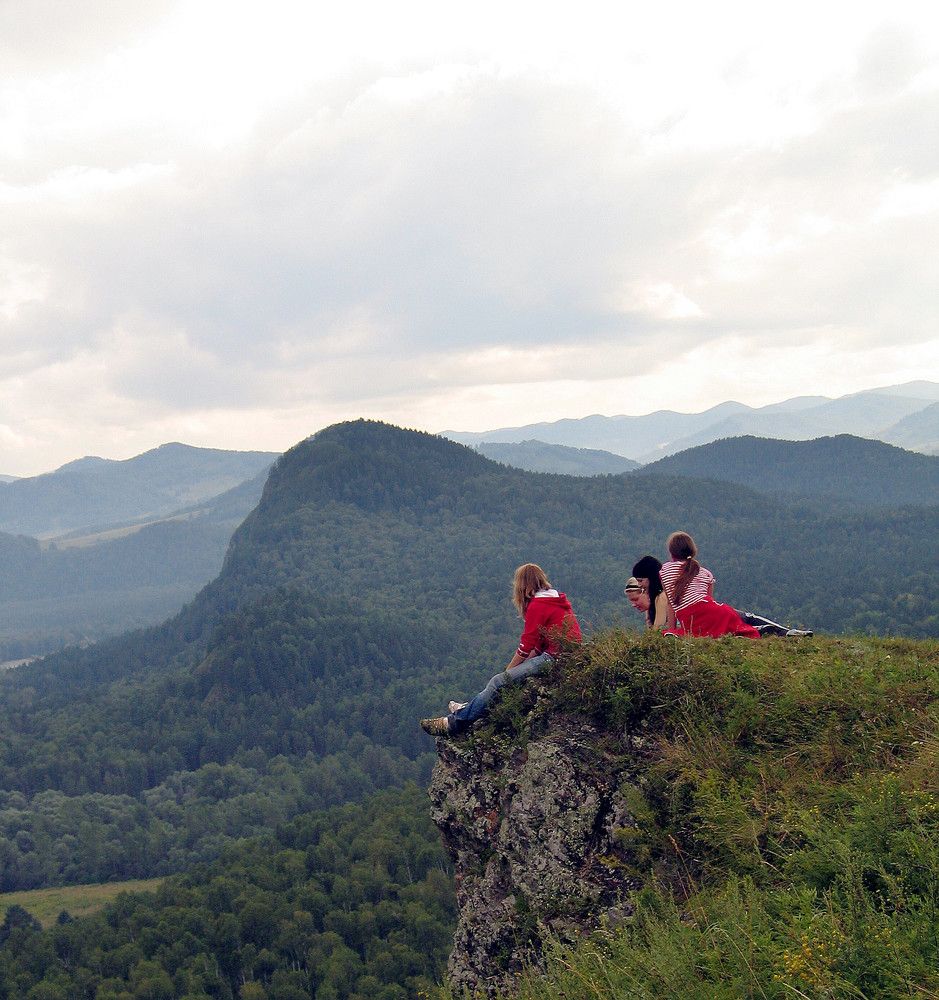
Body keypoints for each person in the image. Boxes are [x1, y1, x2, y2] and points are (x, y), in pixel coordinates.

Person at [420, 563, 582, 736]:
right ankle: (469, 708)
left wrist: (507, 672)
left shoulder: (538, 605)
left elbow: (526, 646)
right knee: (504, 682)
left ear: (522, 585)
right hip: (565, 654)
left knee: (498, 682)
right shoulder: (554, 600)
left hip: (554, 658)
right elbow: (537, 645)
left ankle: (453, 723)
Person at [658, 531, 762, 639]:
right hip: (718, 613)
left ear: (671, 552)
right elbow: (709, 600)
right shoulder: (706, 573)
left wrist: (672, 629)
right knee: (734, 632)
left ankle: (674, 634)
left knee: (694, 634)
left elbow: (671, 605)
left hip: (691, 618)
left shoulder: (665, 570)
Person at [625, 555, 674, 630]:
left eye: (640, 581)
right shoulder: (657, 599)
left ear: (651, 578)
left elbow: (658, 630)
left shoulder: (662, 597)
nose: (639, 585)